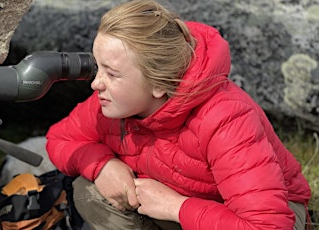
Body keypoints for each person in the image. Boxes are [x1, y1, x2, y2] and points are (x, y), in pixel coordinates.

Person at [45, 0, 311, 229]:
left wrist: (177, 207)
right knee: (87, 190)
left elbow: (268, 225)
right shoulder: (111, 103)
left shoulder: (224, 119)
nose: (96, 83)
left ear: (160, 84)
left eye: (112, 74)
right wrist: (103, 166)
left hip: (267, 217)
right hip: (178, 207)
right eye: (97, 67)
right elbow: (60, 139)